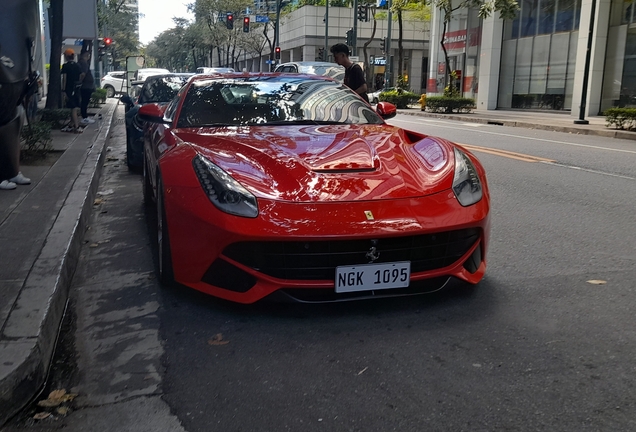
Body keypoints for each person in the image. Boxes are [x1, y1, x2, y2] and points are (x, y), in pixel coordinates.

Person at [60, 48, 82, 133]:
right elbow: (81, 75)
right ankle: (70, 125)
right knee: (73, 106)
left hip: (69, 89)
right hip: (76, 88)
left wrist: (63, 90)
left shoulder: (66, 66)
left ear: (66, 56)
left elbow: (64, 79)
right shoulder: (77, 65)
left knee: (72, 108)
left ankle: (76, 127)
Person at [77, 51, 95, 125]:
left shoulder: (81, 63)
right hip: (86, 86)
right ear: (86, 56)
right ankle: (84, 117)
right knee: (85, 101)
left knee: (85, 101)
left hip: (86, 85)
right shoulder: (83, 64)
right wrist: (80, 82)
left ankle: (85, 116)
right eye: (88, 56)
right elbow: (83, 74)